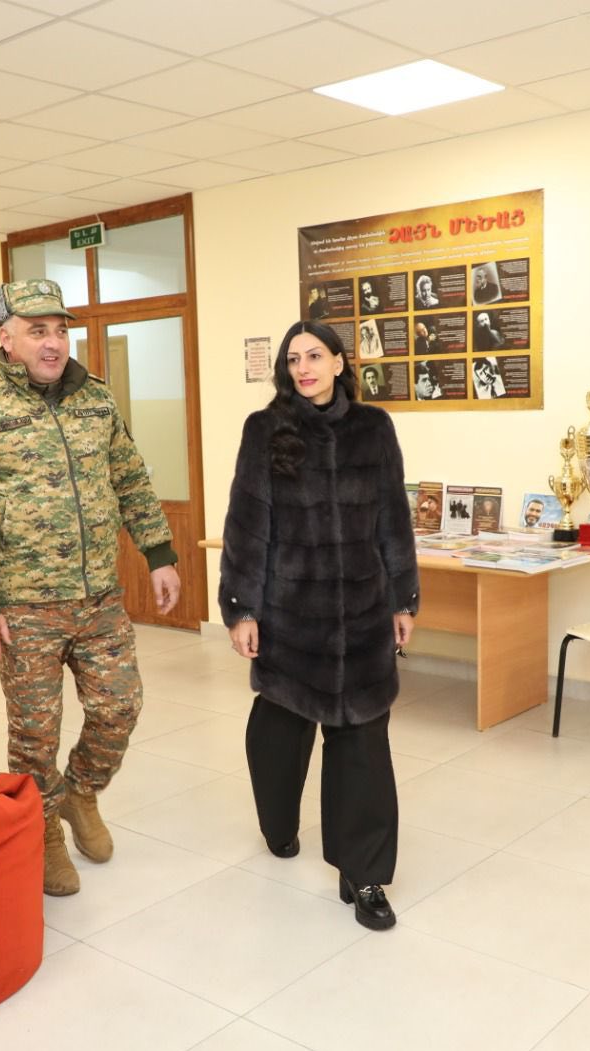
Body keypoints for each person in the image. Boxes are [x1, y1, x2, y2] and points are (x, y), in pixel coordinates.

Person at [0, 278, 181, 898]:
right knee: (35, 734)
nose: (52, 342)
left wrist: (159, 554)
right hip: (23, 606)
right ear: (6, 337)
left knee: (120, 707)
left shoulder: (96, 400)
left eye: (60, 330)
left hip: (100, 599)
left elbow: (130, 478)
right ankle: (40, 827)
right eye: (36, 330)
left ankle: (81, 794)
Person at [218, 320, 419, 931]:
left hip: (362, 618)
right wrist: (242, 609)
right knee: (279, 733)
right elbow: (247, 525)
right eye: (293, 359)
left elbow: (393, 518)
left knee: (363, 745)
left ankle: (364, 875)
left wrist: (403, 599)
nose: (302, 368)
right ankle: (278, 823)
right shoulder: (265, 429)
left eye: (313, 356)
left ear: (338, 362)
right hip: (290, 616)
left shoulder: (374, 429)